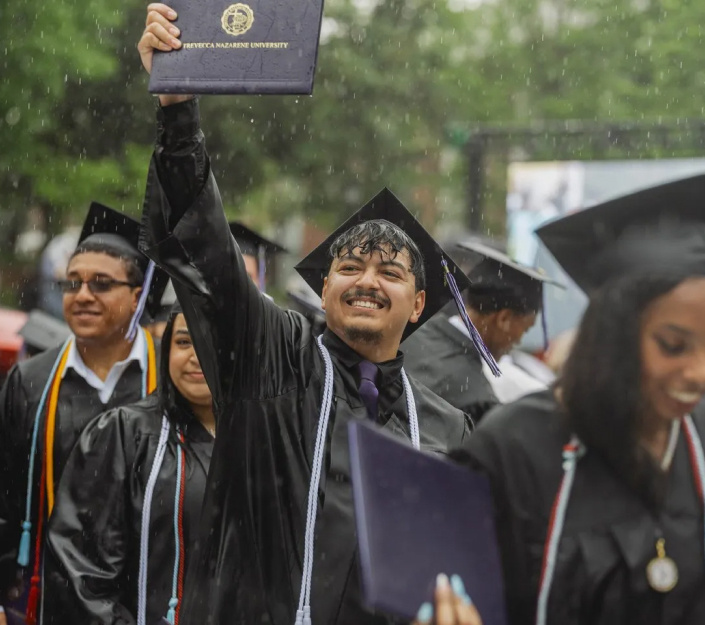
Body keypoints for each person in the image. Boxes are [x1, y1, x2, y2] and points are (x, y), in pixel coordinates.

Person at [137, 8, 483, 623]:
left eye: (390, 273)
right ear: (324, 289)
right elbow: (208, 256)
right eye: (349, 268)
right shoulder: (272, 360)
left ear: (419, 304)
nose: (367, 282)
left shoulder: (446, 428)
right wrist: (177, 112)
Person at [456, 175, 705, 624]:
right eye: (672, 345)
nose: (698, 373)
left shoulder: (700, 437)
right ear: (614, 336)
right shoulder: (514, 450)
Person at [0, 202, 166, 624]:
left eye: (101, 283)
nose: (83, 295)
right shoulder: (32, 380)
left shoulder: (173, 376)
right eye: (73, 283)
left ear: (136, 296)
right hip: (46, 595)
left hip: (149, 591)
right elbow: (6, 494)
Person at [45, 304, 214, 625]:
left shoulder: (263, 439)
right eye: (182, 342)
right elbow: (81, 568)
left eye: (212, 341)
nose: (196, 355)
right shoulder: (124, 433)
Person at [404, 240, 557, 422]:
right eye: (525, 329)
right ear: (504, 319)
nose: (518, 342)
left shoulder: (408, 332)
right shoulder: (476, 396)